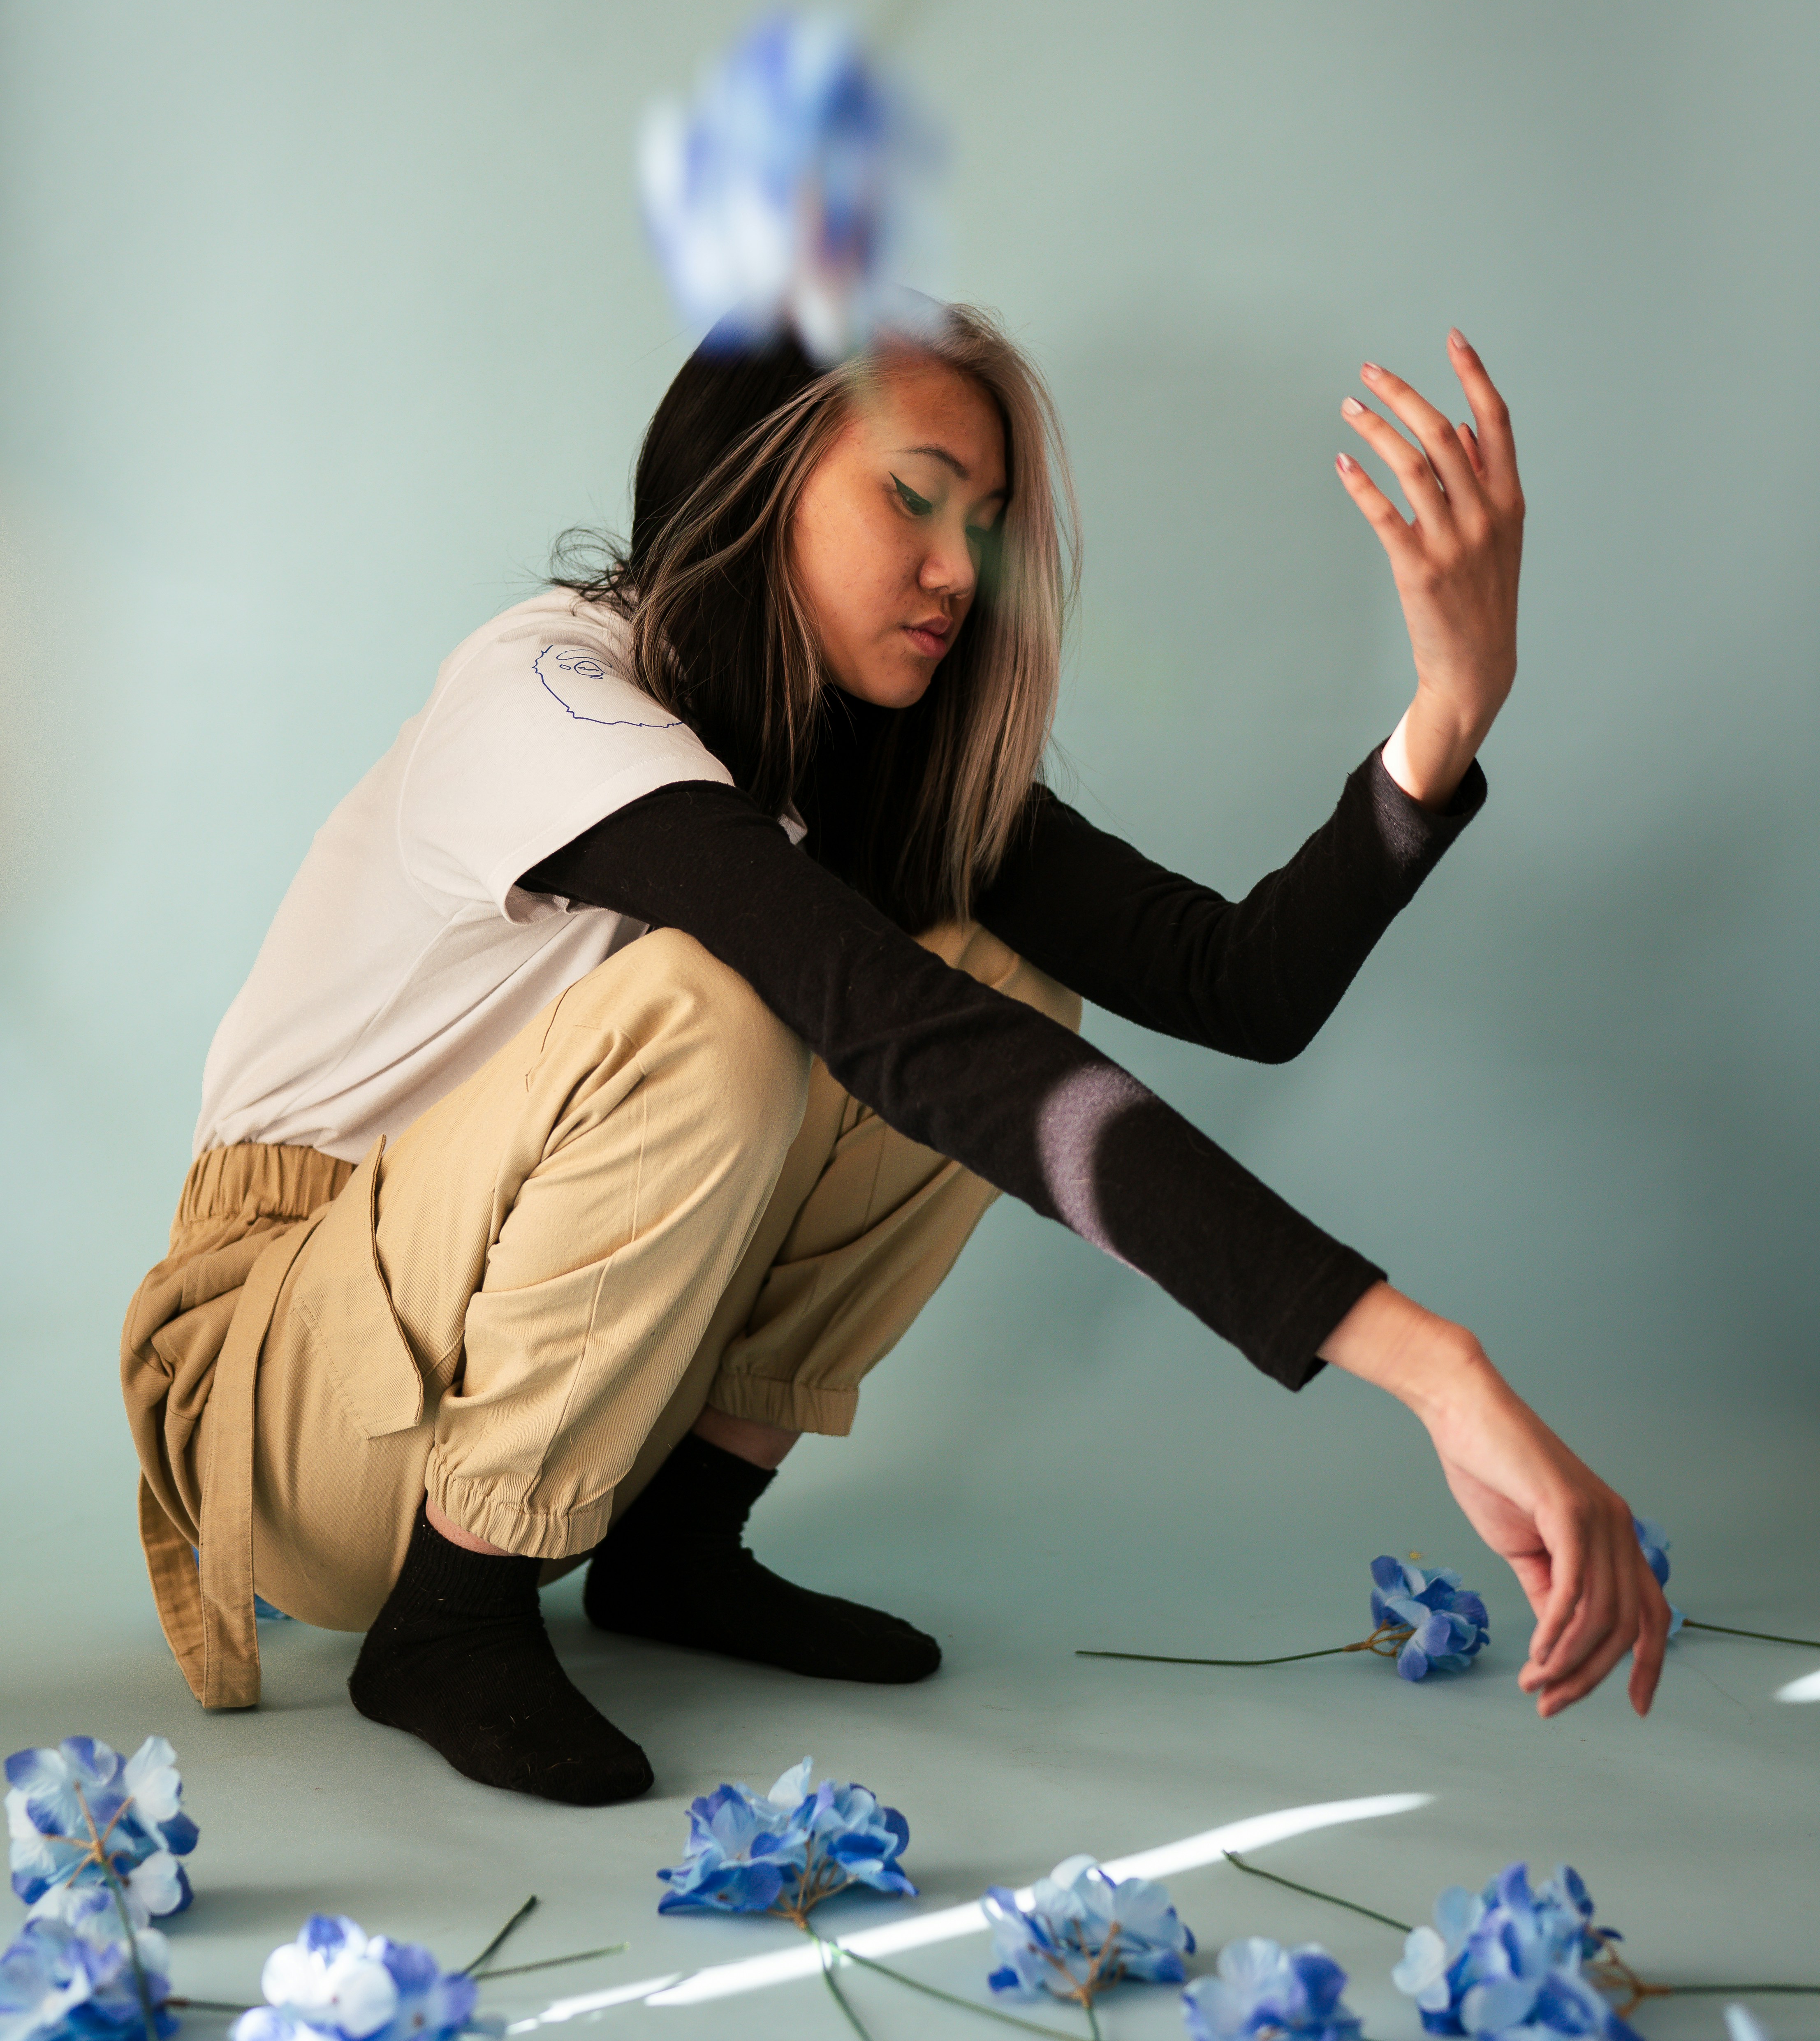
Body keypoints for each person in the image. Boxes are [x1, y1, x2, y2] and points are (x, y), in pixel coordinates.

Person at [122, 304, 1669, 1807]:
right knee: (731, 1009)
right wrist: (1433, 1369)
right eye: (909, 501)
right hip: (277, 1377)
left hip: (486, 1365)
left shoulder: (855, 754)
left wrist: (1449, 715)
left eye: (983, 524)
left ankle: (675, 1548)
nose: (954, 572)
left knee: (1004, 975)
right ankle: (448, 1616)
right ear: (753, 485)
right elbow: (879, 1020)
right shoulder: (550, 694)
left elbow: (1238, 984)